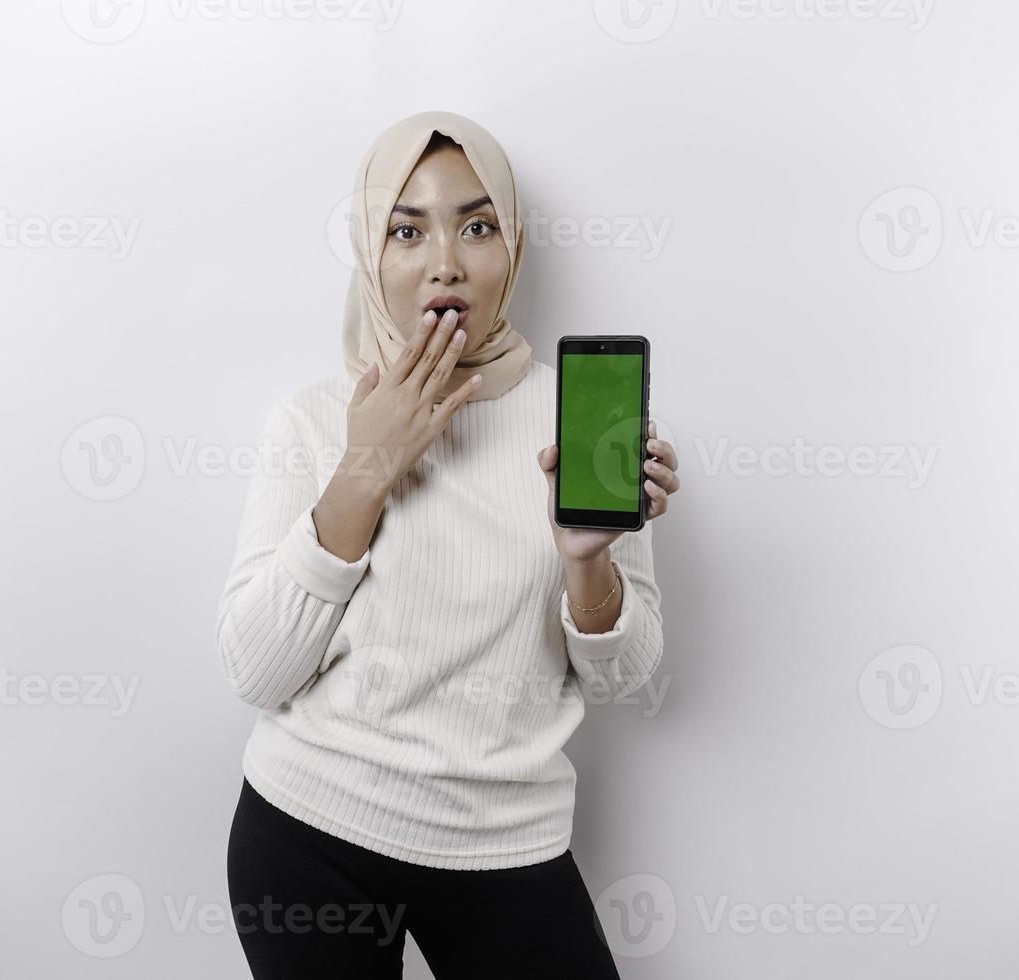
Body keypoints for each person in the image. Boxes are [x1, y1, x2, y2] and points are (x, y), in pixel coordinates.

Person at [217, 109, 679, 978]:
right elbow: (254, 671)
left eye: (477, 225)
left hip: (505, 844)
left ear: (513, 247)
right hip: (314, 832)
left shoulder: (579, 420)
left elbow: (624, 677)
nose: (446, 262)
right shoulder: (314, 419)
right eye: (407, 228)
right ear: (371, 253)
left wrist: (587, 564)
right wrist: (364, 472)